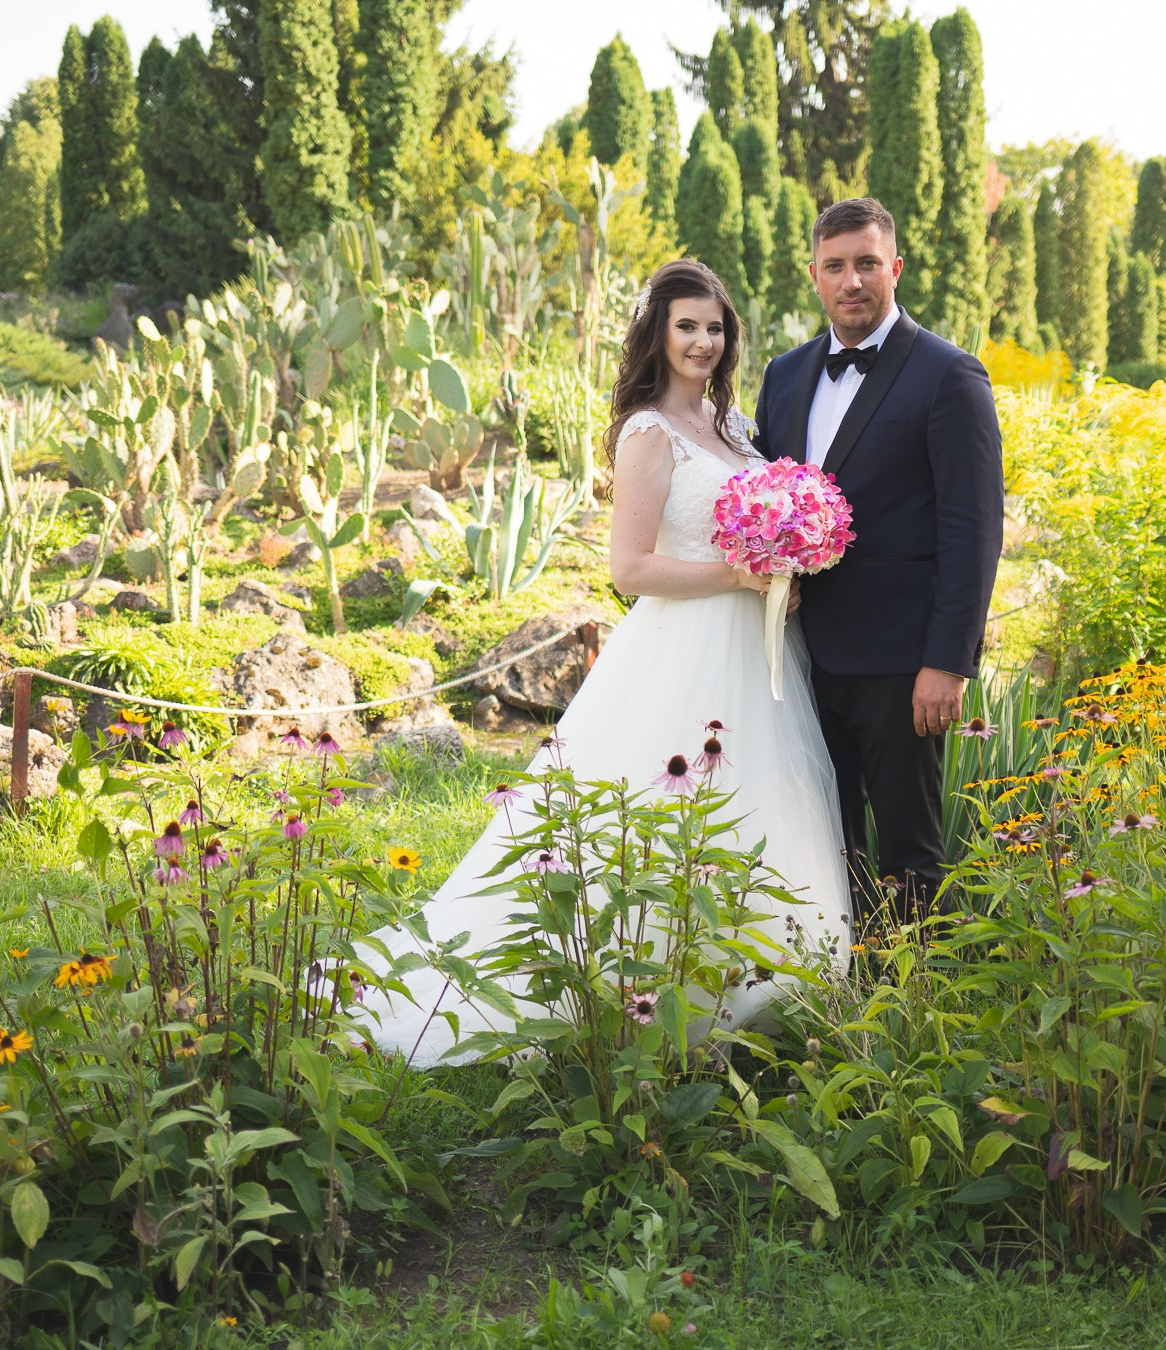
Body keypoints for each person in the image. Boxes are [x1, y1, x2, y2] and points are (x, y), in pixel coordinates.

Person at [364, 259, 852, 1065]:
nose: (703, 340)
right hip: (684, 647)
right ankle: (650, 993)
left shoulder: (731, 429)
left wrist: (784, 572)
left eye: (715, 326)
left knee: (765, 800)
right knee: (670, 818)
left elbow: (755, 529)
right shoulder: (647, 432)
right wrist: (735, 575)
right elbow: (629, 569)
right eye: (687, 325)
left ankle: (761, 984)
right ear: (659, 334)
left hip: (759, 646)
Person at [751, 197, 1005, 932]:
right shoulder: (786, 375)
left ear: (894, 267)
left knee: (909, 855)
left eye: (867, 263)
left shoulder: (949, 375)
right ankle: (839, 994)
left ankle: (917, 1011)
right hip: (801, 660)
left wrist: (949, 662)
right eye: (836, 266)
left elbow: (974, 530)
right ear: (814, 275)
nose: (852, 280)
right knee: (825, 845)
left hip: (903, 666)